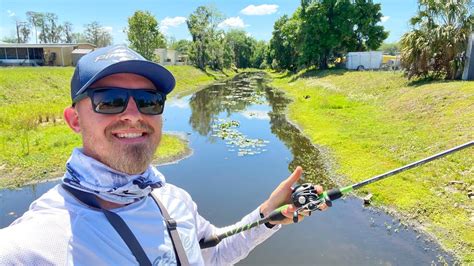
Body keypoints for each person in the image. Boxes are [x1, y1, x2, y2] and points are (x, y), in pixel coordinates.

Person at [0, 45, 327, 265]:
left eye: (149, 101)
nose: (133, 114)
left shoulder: (174, 200)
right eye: (110, 100)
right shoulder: (30, 246)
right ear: (74, 120)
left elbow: (211, 252)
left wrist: (269, 214)